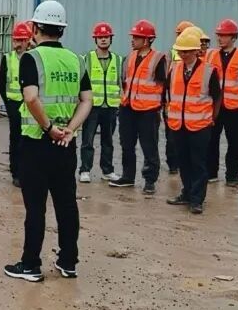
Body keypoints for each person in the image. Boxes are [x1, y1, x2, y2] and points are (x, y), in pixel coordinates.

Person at [5, 0, 92, 282]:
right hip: (65, 145)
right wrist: (70, 129)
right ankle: (68, 261)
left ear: (35, 27)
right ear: (62, 29)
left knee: (36, 208)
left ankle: (31, 264)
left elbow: (31, 98)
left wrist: (49, 127)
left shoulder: (31, 58)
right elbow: (87, 100)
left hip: (36, 143)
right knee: (67, 205)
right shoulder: (77, 60)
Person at [165, 30, 222, 214]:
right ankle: (187, 193)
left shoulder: (209, 70)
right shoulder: (174, 69)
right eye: (181, 51)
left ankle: (197, 199)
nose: (183, 54)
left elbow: (217, 97)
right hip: (178, 125)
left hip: (200, 126)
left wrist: (212, 118)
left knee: (198, 163)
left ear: (196, 51)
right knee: (183, 161)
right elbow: (168, 94)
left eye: (187, 51)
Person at [110, 20, 167, 195]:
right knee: (126, 144)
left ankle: (150, 180)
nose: (132, 40)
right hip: (128, 107)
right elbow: (124, 81)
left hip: (148, 111)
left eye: (137, 37)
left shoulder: (158, 59)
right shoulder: (129, 58)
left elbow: (164, 86)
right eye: (133, 36)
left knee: (149, 147)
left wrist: (162, 108)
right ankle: (128, 176)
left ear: (147, 40)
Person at [206, 19, 238, 186]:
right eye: (219, 35)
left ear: (233, 37)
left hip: (235, 108)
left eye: (223, 35)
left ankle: (232, 176)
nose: (219, 38)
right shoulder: (210, 55)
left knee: (234, 142)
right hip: (215, 106)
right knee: (211, 141)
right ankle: (211, 173)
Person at [77, 22, 122, 184]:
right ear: (95, 39)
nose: (103, 39)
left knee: (108, 141)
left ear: (111, 39)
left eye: (106, 37)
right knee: (87, 140)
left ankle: (107, 171)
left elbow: (121, 83)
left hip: (110, 107)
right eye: (100, 37)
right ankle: (85, 170)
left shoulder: (118, 60)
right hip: (92, 107)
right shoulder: (86, 59)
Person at [0, 21, 32, 186]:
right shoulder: (8, 58)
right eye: (16, 40)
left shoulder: (34, 57)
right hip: (14, 104)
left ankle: (28, 171)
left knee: (29, 139)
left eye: (21, 40)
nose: (18, 44)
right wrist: (8, 103)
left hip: (30, 105)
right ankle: (15, 172)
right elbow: (2, 83)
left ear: (28, 41)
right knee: (16, 138)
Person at [164, 20, 194, 175]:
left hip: (191, 105)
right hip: (174, 102)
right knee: (171, 136)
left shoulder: (197, 52)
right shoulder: (172, 53)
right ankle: (173, 164)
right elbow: (166, 78)